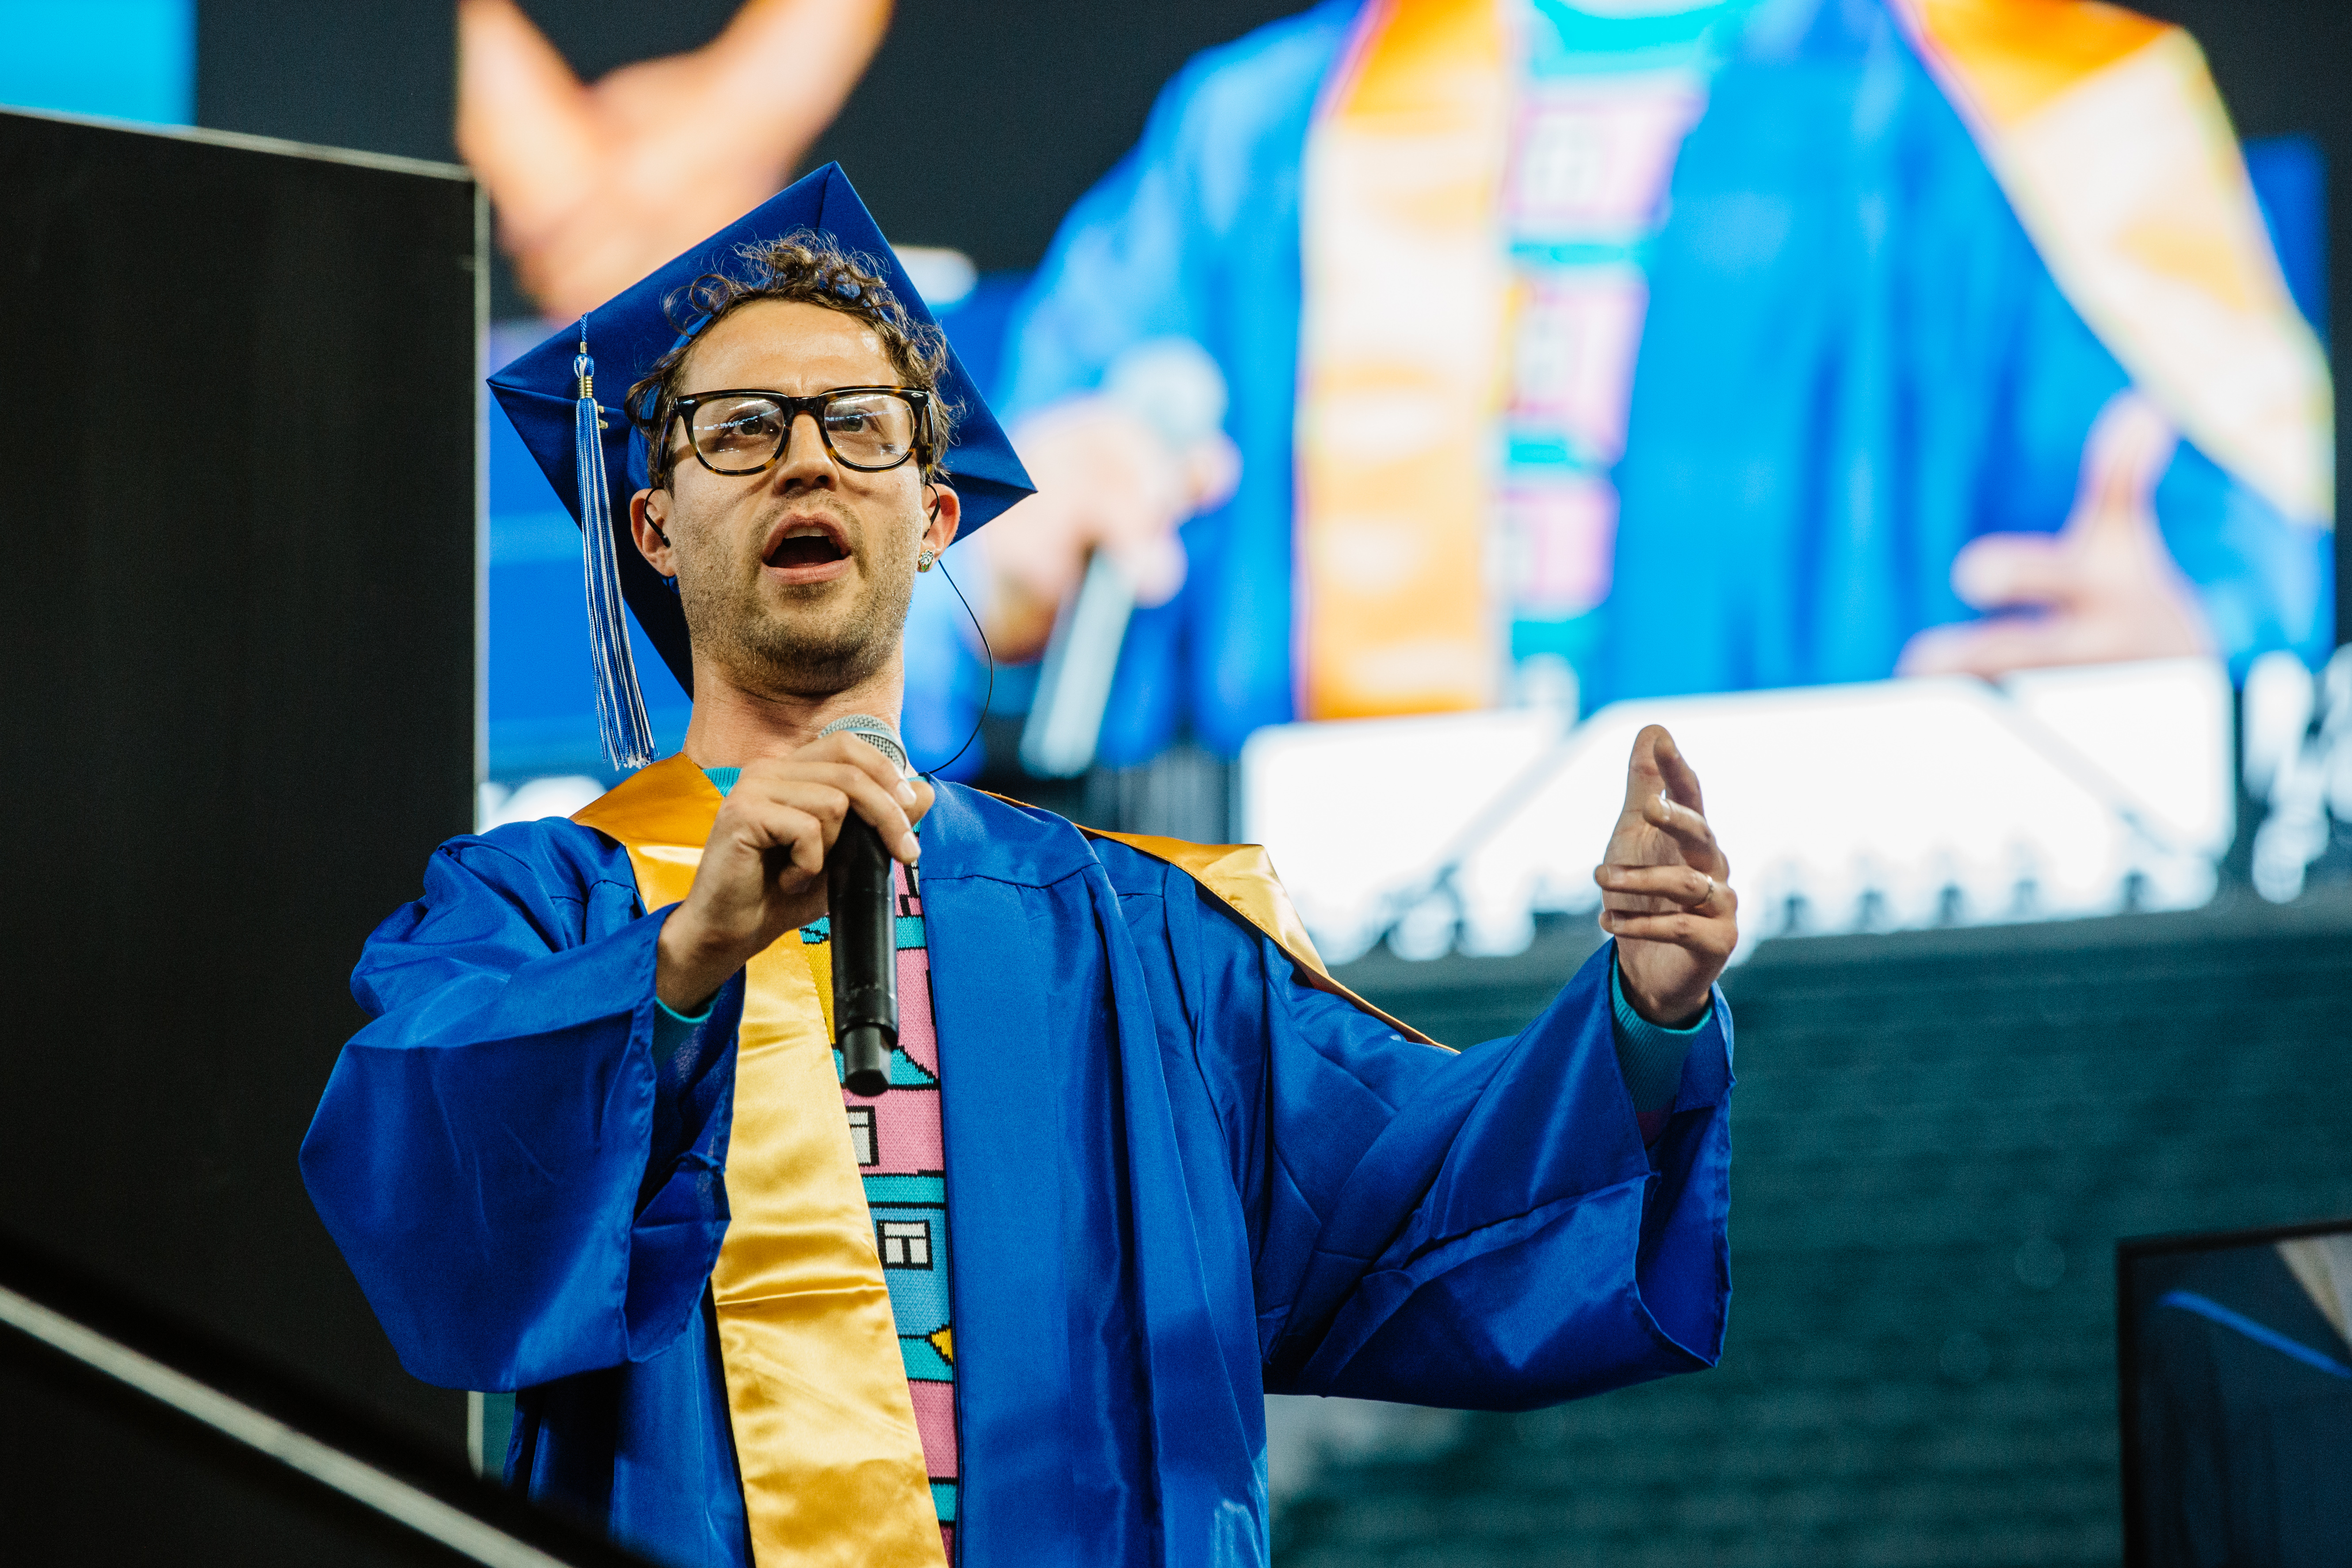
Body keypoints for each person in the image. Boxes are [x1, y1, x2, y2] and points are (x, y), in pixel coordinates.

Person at [301, 167, 1743, 1568]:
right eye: (739, 429)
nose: (806, 454)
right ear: (653, 525)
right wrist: (682, 960)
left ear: (934, 517)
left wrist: (1644, 1015)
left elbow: (1431, 1193)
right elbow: (425, 1194)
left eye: (860, 425)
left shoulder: (1149, 938)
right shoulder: (545, 910)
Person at [975, 0, 2332, 766]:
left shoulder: (2051, 111)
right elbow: (973, 596)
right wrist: (1002, 589)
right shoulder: (1254, 142)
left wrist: (2191, 691)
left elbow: (2239, 593)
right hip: (1354, 1058)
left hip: (1880, 1014)